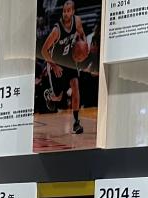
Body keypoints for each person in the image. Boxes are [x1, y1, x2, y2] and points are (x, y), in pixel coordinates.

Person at [40, 0, 89, 136]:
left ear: (73, 12)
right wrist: (53, 65)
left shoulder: (77, 21)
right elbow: (43, 51)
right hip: (56, 64)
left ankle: (76, 122)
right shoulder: (57, 30)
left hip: (70, 60)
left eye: (68, 11)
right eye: (64, 11)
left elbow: (82, 34)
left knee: (75, 87)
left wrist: (84, 46)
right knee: (58, 97)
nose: (66, 14)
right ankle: (48, 95)